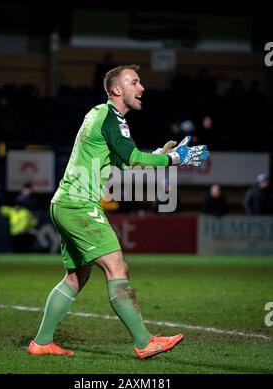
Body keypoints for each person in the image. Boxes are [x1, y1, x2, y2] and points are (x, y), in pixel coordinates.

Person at [28, 65, 209, 359]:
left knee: (75, 277)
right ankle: (144, 341)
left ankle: (42, 342)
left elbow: (127, 164)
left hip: (64, 202)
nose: (142, 87)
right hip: (78, 204)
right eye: (134, 82)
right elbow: (133, 157)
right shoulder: (112, 118)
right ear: (116, 90)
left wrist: (161, 155)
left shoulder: (98, 115)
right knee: (117, 267)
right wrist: (175, 159)